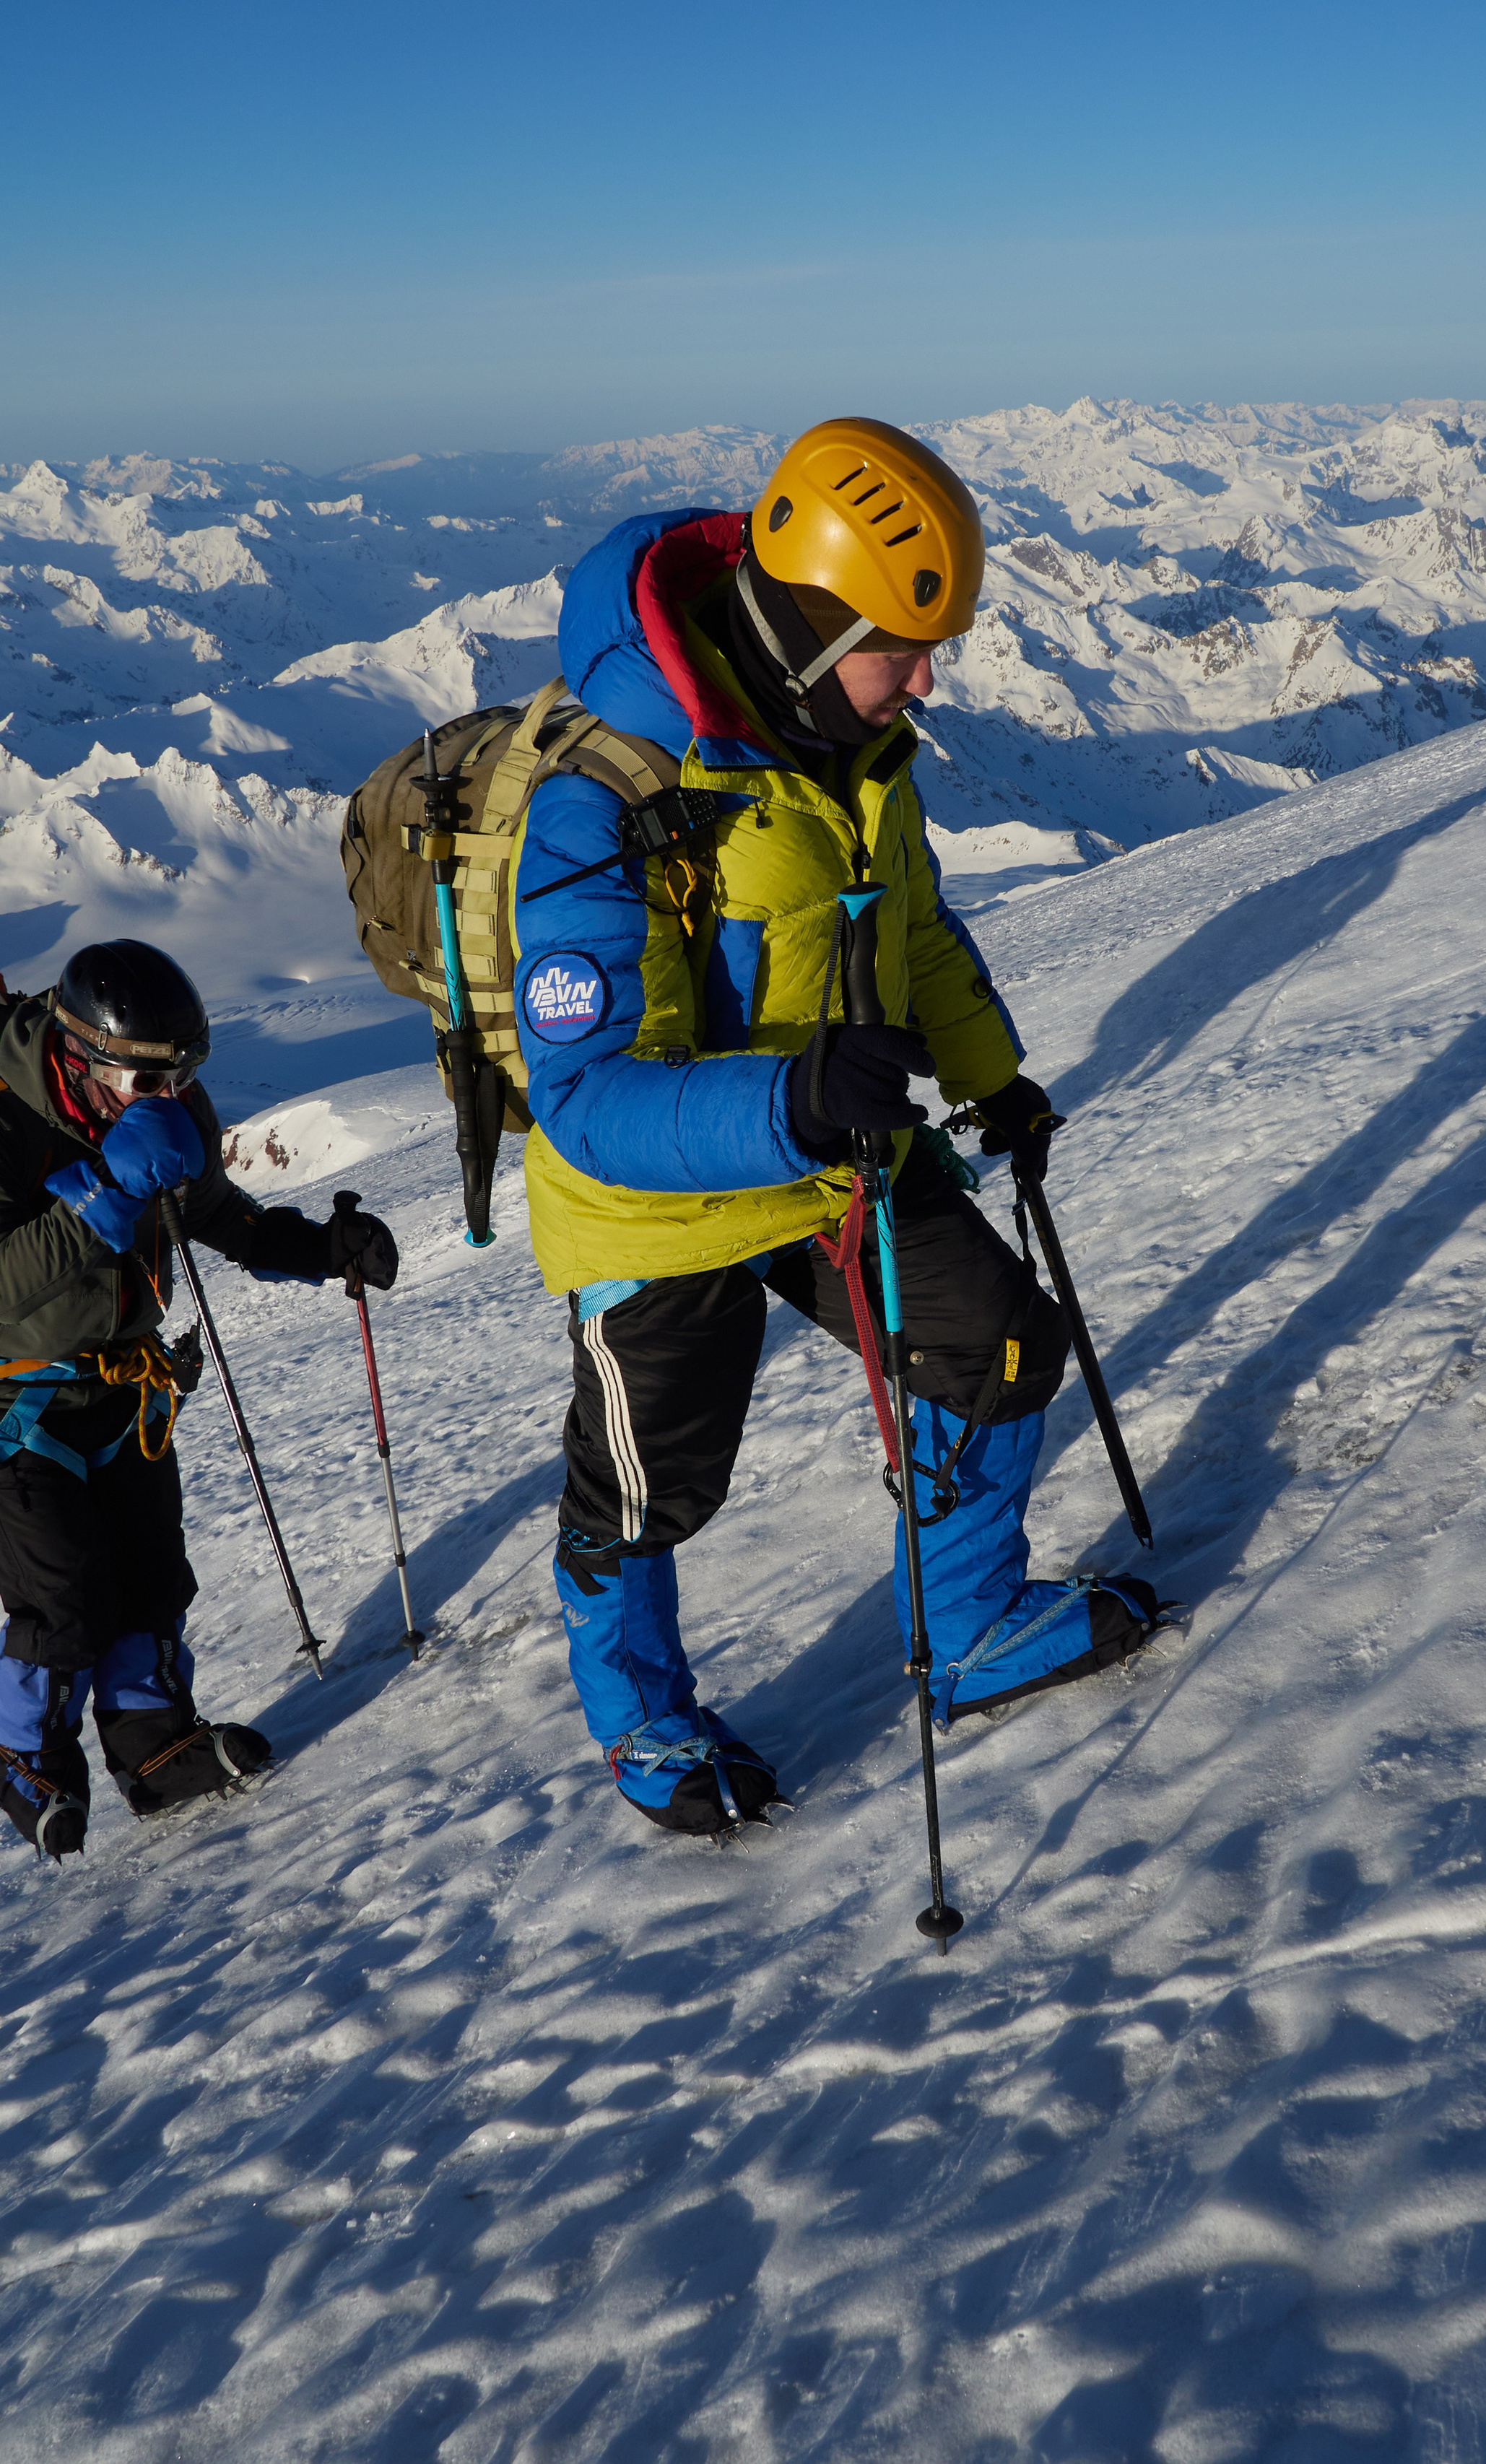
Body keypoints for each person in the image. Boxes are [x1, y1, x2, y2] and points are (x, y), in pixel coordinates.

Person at [510, 417, 1160, 1839]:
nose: (925, 679)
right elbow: (582, 1095)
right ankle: (642, 1726)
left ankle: (974, 1622)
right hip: (649, 1204)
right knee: (644, 1490)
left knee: (996, 1340)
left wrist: (990, 1079)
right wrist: (793, 1095)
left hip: (829, 1160)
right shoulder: (607, 796)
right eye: (897, 644)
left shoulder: (859, 749)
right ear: (806, 627)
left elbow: (913, 931)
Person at [0, 941, 398, 1857]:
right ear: (79, 1053)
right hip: (16, 1402)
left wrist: (319, 1249)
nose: (171, 1094)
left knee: (149, 1569)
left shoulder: (161, 1095)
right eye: (149, 1078)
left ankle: (155, 1747)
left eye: (184, 1074)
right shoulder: (7, 1114)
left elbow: (215, 1212)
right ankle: (28, 1759)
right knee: (61, 1592)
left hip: (127, 1384)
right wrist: (96, 1198)